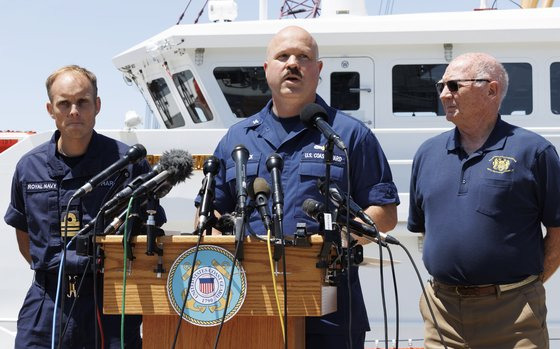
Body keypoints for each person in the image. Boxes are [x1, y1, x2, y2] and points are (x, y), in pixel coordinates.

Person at [201, 26, 399, 348]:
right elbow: (210, 209)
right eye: (283, 56)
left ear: (318, 70)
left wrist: (343, 239)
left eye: (303, 57)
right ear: (267, 70)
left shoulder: (349, 136)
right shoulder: (237, 138)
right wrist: (215, 230)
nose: (292, 63)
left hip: (331, 305)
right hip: (251, 300)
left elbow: (385, 212)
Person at [4, 65, 165, 348]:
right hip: (47, 300)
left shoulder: (127, 164)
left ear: (97, 105)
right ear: (50, 109)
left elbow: (148, 233)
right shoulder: (29, 168)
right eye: (64, 103)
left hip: (108, 299)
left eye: (82, 102)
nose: (74, 111)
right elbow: (24, 234)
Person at [408, 52, 560, 348]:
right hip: (442, 315)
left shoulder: (534, 152)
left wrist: (523, 288)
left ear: (491, 90)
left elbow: (559, 230)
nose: (443, 94)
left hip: (514, 316)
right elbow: (425, 229)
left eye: (453, 85)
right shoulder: (427, 154)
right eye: (441, 85)